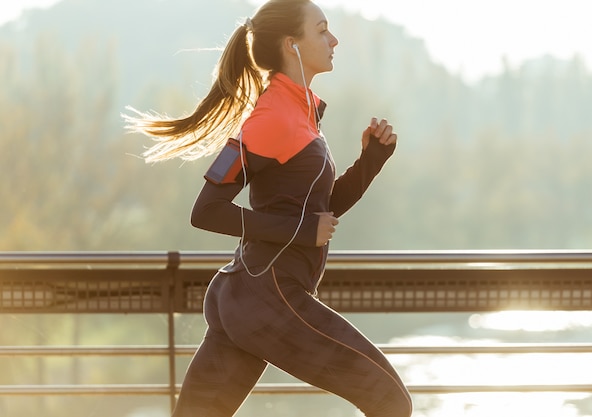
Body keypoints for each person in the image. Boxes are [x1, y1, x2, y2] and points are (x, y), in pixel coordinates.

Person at [123, 0, 412, 416]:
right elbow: (207, 210)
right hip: (267, 296)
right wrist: (299, 232)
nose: (335, 40)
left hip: (249, 297)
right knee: (391, 402)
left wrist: (371, 161)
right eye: (322, 30)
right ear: (291, 44)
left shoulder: (301, 111)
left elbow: (320, 212)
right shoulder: (271, 116)